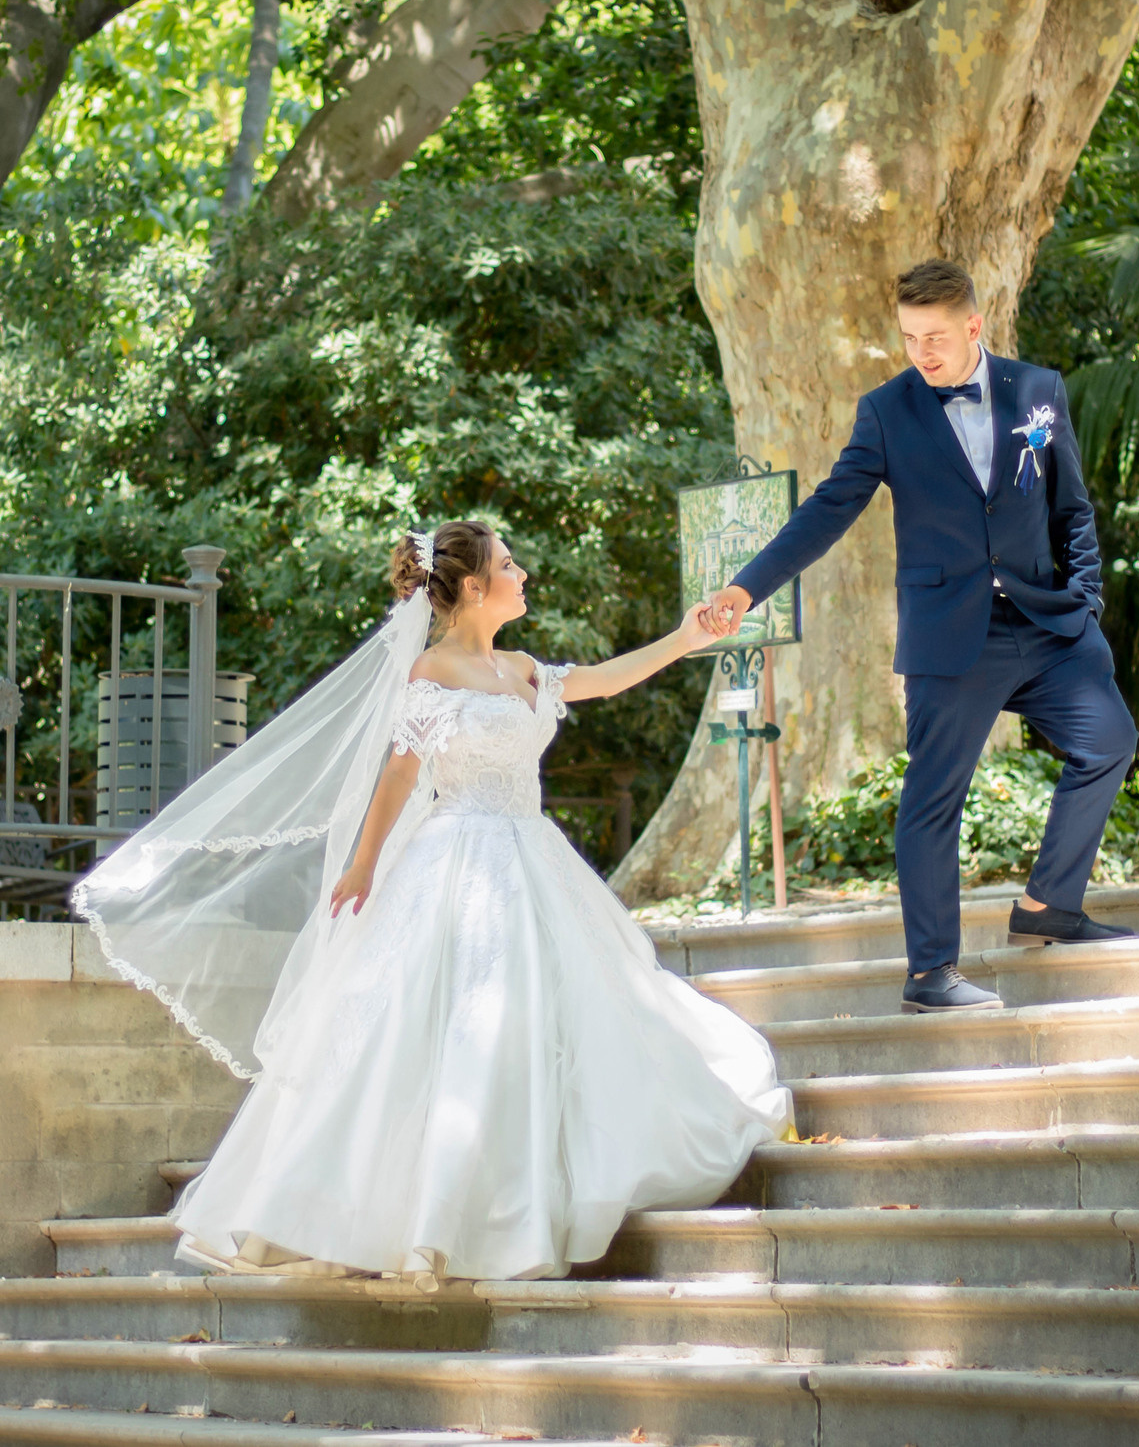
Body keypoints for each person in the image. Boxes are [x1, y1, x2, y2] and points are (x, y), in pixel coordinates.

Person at [76, 521, 789, 1286]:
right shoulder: (431, 671)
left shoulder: (520, 669)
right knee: (438, 1031)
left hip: (532, 857)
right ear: (475, 588)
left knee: (543, 1024)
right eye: (510, 565)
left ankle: (507, 1201)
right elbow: (398, 774)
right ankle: (399, 1219)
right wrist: (362, 865)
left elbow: (606, 678)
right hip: (454, 862)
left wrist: (685, 637)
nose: (525, 575)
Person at [700, 258, 1139, 1013]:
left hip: (1049, 624)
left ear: (975, 325)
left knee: (1110, 741)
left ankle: (1047, 910)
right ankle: (930, 972)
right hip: (951, 636)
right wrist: (746, 587)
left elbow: (1073, 507)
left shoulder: (1039, 392)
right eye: (908, 338)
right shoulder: (886, 411)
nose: (922, 353)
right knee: (933, 799)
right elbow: (826, 510)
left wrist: (1086, 595)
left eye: (935, 336)